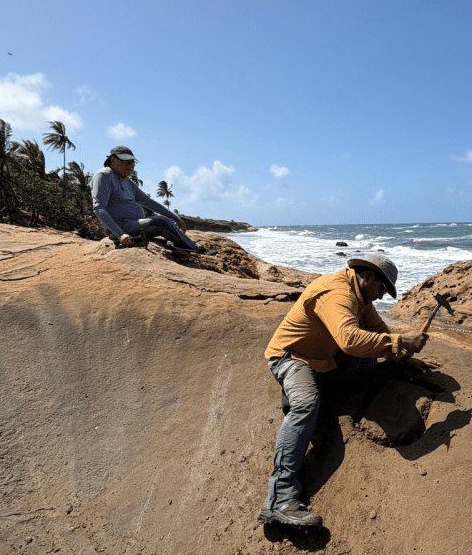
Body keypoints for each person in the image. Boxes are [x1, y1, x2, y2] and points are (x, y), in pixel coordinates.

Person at [257, 254, 428, 529]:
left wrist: (404, 353)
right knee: (306, 405)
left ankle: (312, 388)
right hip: (292, 358)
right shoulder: (338, 293)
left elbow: (379, 332)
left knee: (370, 362)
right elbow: (349, 340)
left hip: (324, 359)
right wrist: (399, 340)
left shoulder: (362, 298)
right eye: (383, 289)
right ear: (369, 276)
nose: (382, 297)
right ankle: (279, 501)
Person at [91, 146, 217, 256]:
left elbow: (149, 202)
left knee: (167, 219)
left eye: (132, 162)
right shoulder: (104, 175)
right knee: (161, 221)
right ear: (112, 160)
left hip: (135, 224)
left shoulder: (127, 181)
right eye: (125, 161)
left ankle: (175, 243)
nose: (130, 165)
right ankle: (196, 248)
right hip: (122, 226)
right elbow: (99, 208)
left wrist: (176, 217)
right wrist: (120, 234)